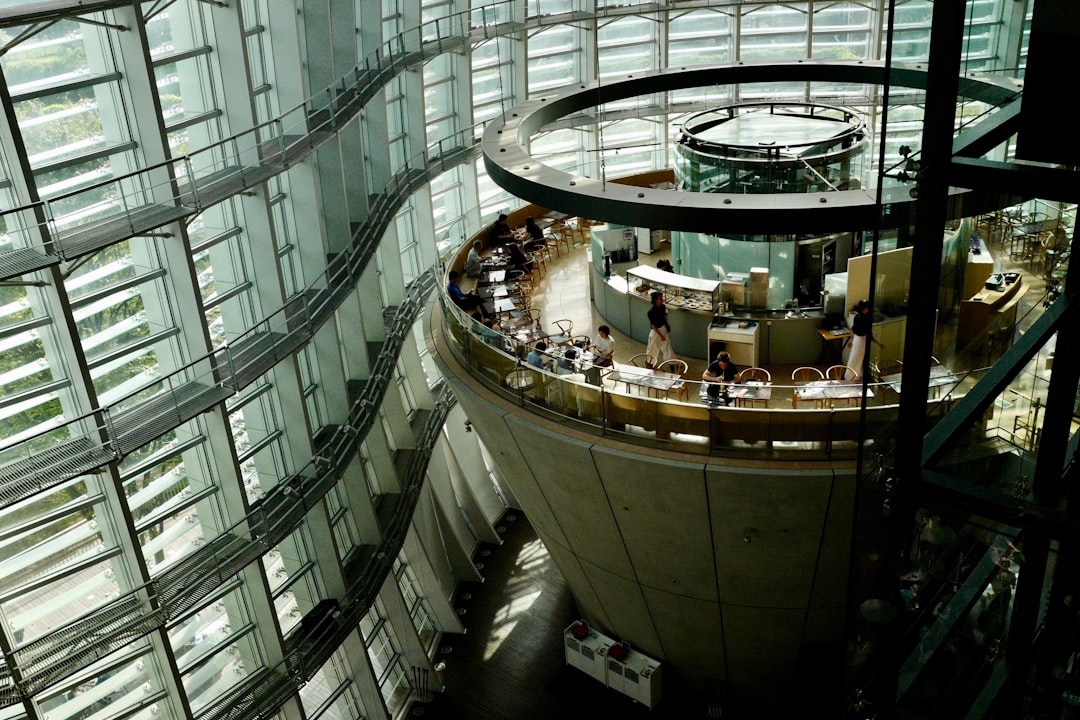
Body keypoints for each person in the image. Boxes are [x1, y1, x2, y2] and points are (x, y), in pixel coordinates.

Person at [845, 299, 884, 378]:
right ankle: (855, 376)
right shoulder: (865, 319)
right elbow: (868, 333)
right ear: (866, 308)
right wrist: (878, 343)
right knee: (858, 358)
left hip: (857, 339)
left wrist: (851, 340)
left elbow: (854, 329)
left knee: (854, 357)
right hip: (861, 340)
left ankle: (850, 375)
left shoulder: (857, 316)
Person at [645, 291, 673, 367]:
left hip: (663, 328)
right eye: (660, 298)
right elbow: (653, 325)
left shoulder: (663, 307)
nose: (662, 300)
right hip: (655, 332)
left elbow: (664, 317)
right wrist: (661, 335)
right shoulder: (651, 312)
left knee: (667, 347)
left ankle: (672, 363)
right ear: (655, 300)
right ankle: (650, 362)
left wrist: (666, 326)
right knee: (652, 348)